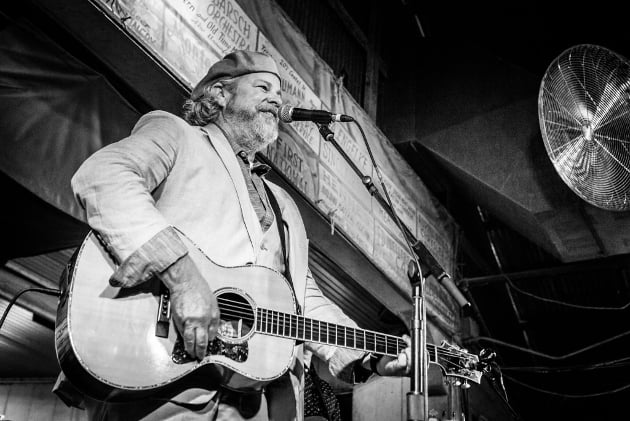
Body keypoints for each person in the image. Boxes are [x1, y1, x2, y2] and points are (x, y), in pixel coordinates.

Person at [56, 50, 411, 420]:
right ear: (220, 94)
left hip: (254, 401)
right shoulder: (177, 134)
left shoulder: (283, 204)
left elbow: (302, 298)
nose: (276, 99)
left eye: (279, 93)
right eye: (263, 87)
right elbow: (104, 176)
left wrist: (371, 357)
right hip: (159, 381)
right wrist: (183, 279)